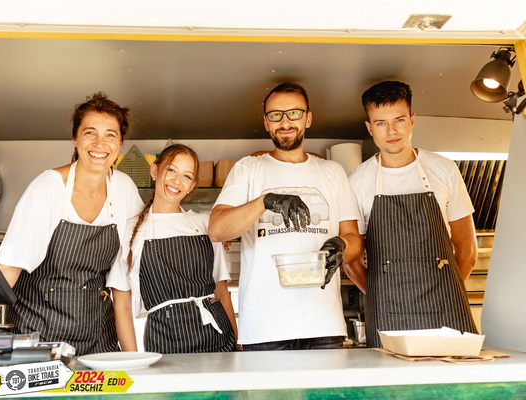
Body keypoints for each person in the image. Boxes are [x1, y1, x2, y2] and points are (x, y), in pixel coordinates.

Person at [0, 92, 144, 355]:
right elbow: (8, 268)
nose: (100, 143)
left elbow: (128, 269)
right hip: (39, 334)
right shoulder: (49, 187)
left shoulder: (124, 189)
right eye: (90, 133)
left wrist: (132, 358)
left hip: (98, 337)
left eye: (110, 135)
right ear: (75, 138)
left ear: (120, 143)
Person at [208, 82, 363, 351]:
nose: (285, 122)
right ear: (266, 123)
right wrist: (266, 201)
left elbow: (354, 241)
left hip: (324, 325)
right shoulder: (248, 168)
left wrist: (341, 246)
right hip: (264, 328)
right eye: (275, 115)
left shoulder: (332, 171)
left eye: (294, 113)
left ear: (308, 118)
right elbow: (217, 229)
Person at [347, 80, 478, 348]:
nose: (392, 131)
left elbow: (467, 249)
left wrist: (447, 292)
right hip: (388, 313)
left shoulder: (444, 169)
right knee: (391, 376)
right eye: (381, 123)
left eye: (399, 120)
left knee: (455, 375)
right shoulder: (356, 181)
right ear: (370, 128)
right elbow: (351, 260)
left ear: (412, 120)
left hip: (447, 311)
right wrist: (380, 296)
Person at [108, 144, 237, 353]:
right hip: (165, 341)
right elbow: (121, 305)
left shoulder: (205, 225)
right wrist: (132, 360)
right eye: (171, 170)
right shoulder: (129, 232)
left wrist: (236, 347)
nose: (177, 181)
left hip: (218, 338)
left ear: (192, 185)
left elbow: (221, 293)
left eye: (187, 176)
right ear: (155, 170)